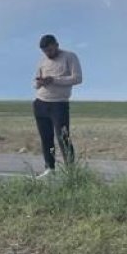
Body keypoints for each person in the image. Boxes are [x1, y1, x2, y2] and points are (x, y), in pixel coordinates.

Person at [32, 34, 83, 178]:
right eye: (45, 51)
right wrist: (40, 82)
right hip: (40, 103)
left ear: (56, 45)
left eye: (50, 50)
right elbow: (34, 84)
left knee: (63, 138)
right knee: (46, 138)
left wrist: (53, 80)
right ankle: (50, 170)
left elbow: (78, 78)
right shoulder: (42, 61)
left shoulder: (70, 57)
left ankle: (71, 172)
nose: (48, 54)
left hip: (59, 104)